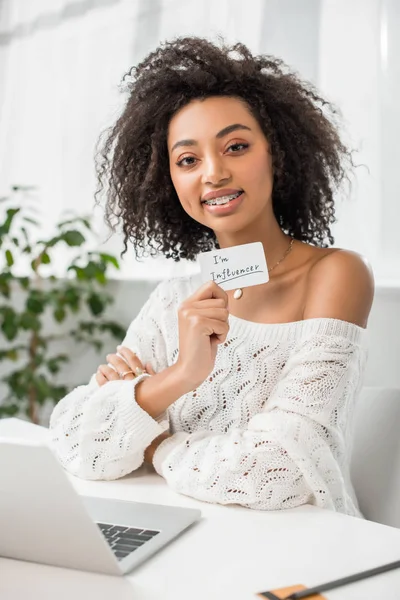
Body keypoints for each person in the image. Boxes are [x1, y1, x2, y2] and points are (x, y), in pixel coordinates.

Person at [49, 36, 374, 516]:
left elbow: (278, 472)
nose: (213, 173)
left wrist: (156, 442)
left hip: (305, 553)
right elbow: (78, 441)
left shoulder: (335, 274)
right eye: (188, 160)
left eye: (236, 146)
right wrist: (181, 375)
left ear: (276, 154)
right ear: (169, 180)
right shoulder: (176, 300)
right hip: (188, 537)